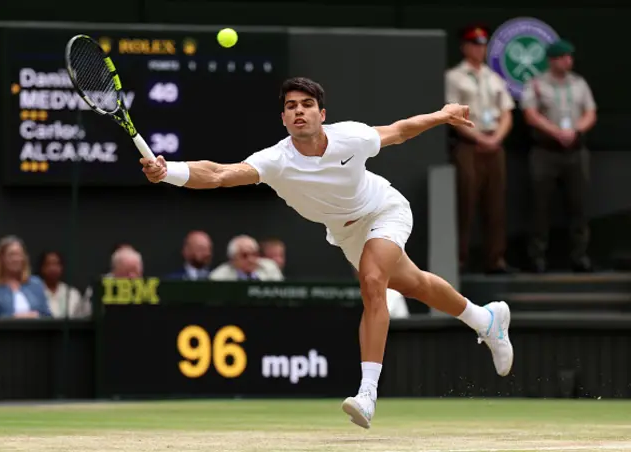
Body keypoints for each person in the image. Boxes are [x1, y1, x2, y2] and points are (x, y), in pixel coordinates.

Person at [140, 77, 513, 429]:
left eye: (307, 104)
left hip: (385, 210)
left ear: (322, 114)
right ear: (283, 118)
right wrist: (168, 170)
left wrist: (441, 115)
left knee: (372, 281)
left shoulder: (350, 137)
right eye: (291, 106)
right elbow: (220, 173)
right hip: (346, 234)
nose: (299, 111)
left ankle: (367, 393)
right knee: (413, 284)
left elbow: (399, 131)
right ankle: (485, 320)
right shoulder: (275, 160)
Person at [520, 39, 597, 273]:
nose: (568, 61)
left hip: (575, 151)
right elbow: (530, 115)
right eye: (563, 57)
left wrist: (576, 131)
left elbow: (590, 112)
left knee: (579, 204)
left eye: (570, 57)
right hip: (546, 151)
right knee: (540, 205)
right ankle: (537, 256)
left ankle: (579, 255)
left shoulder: (579, 83)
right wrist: (556, 132)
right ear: (553, 60)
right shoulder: (535, 84)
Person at [445, 25, 517, 274]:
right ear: (465, 47)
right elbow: (452, 115)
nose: (480, 49)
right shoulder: (454, 77)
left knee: (495, 203)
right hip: (469, 144)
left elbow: (507, 113)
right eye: (474, 44)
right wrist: (478, 138)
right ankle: (460, 259)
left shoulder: (494, 77)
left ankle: (496, 259)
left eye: (483, 45)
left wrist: (496, 137)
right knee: (466, 201)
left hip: (494, 144)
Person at [0, 235, 51, 318]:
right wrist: (14, 318)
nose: (16, 259)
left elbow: (48, 316)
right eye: (11, 255)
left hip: (36, 330)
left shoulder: (36, 284)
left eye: (19, 255)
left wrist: (36, 316)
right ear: (1, 258)